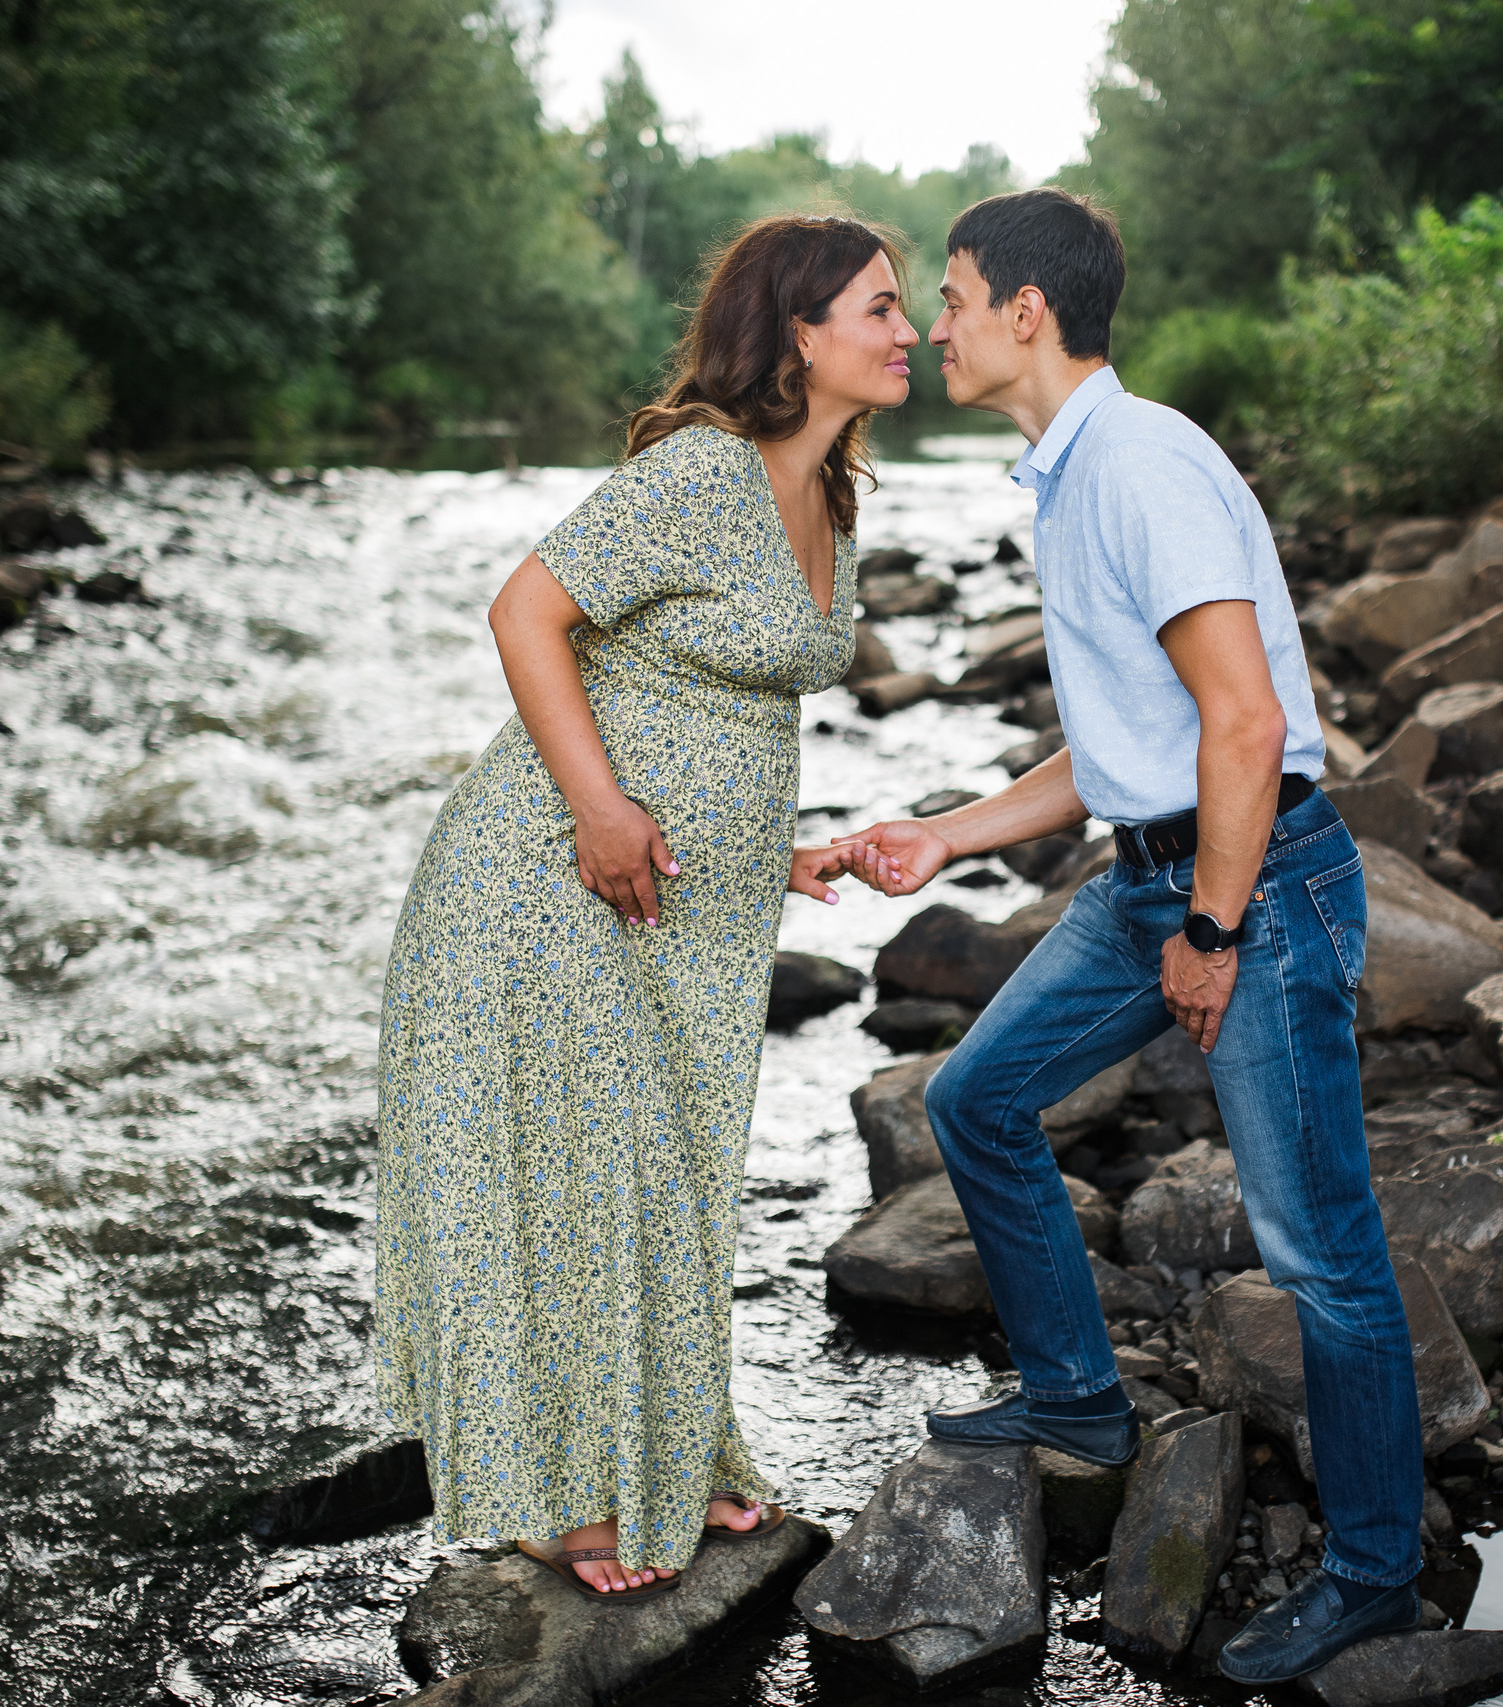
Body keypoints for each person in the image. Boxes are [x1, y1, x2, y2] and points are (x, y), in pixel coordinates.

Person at [837, 188, 1429, 1682]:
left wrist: (1215, 933)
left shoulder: (1144, 465)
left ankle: (1373, 1574)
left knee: (1318, 1253)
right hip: (1152, 876)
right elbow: (1131, 746)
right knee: (974, 1100)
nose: (937, 324)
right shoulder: (1071, 474)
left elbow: (1242, 723)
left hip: (1259, 890)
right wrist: (949, 834)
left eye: (955, 294)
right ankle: (1079, 1401)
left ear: (1028, 310)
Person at [372, 213, 914, 1601]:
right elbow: (523, 615)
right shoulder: (701, 472)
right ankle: (551, 1501)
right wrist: (606, 810)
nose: (909, 331)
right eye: (881, 307)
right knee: (586, 1176)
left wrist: (764, 849)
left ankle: (671, 1455)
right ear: (801, 332)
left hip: (690, 900)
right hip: (549, 871)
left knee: (666, 1179)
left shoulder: (836, 491)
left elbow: (713, 699)